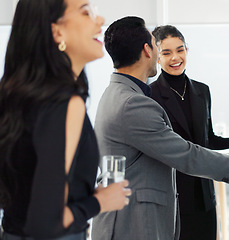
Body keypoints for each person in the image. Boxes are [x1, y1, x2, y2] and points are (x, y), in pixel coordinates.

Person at [91, 16, 229, 240]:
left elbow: (201, 140)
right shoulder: (134, 103)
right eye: (158, 46)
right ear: (147, 50)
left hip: (133, 216)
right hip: (134, 221)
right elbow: (184, 153)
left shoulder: (115, 93)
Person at [0, 0, 131, 239]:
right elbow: (45, 222)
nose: (100, 20)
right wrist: (99, 202)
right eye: (86, 12)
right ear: (57, 30)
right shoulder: (65, 103)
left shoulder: (18, 97)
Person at [150, 25, 229, 240]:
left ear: (187, 50)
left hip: (203, 194)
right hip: (173, 195)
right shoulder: (150, 95)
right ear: (157, 57)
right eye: (166, 53)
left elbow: (206, 141)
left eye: (180, 50)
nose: (175, 57)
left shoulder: (202, 91)